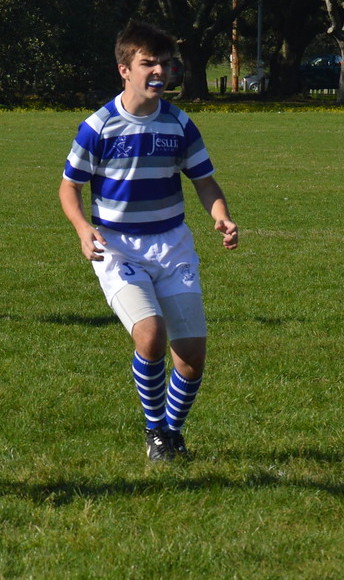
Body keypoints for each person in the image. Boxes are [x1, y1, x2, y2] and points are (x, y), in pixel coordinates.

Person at [58, 20, 239, 462]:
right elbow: (69, 187)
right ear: (125, 69)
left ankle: (173, 432)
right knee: (151, 336)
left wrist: (221, 216)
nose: (159, 71)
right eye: (148, 63)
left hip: (172, 245)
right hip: (118, 247)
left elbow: (204, 182)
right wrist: (84, 230)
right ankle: (155, 430)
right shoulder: (98, 127)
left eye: (165, 63)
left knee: (191, 357)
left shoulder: (179, 124)